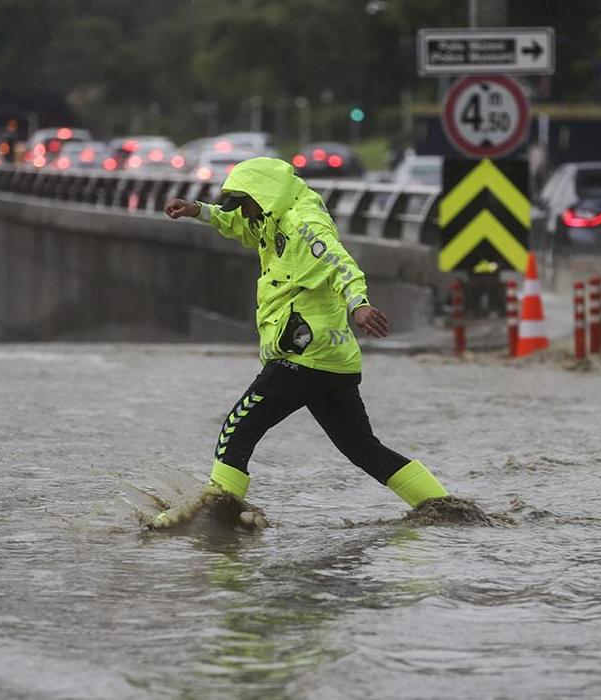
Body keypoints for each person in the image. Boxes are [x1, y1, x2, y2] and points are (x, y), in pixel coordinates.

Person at [162, 157, 448, 523]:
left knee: (237, 428)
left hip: (302, 355)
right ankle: (445, 508)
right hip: (329, 361)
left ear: (263, 196)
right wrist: (198, 211)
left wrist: (358, 305)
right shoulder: (271, 218)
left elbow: (341, 264)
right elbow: (240, 226)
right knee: (362, 449)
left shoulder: (303, 223)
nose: (244, 213)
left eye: (246, 203)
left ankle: (217, 518)